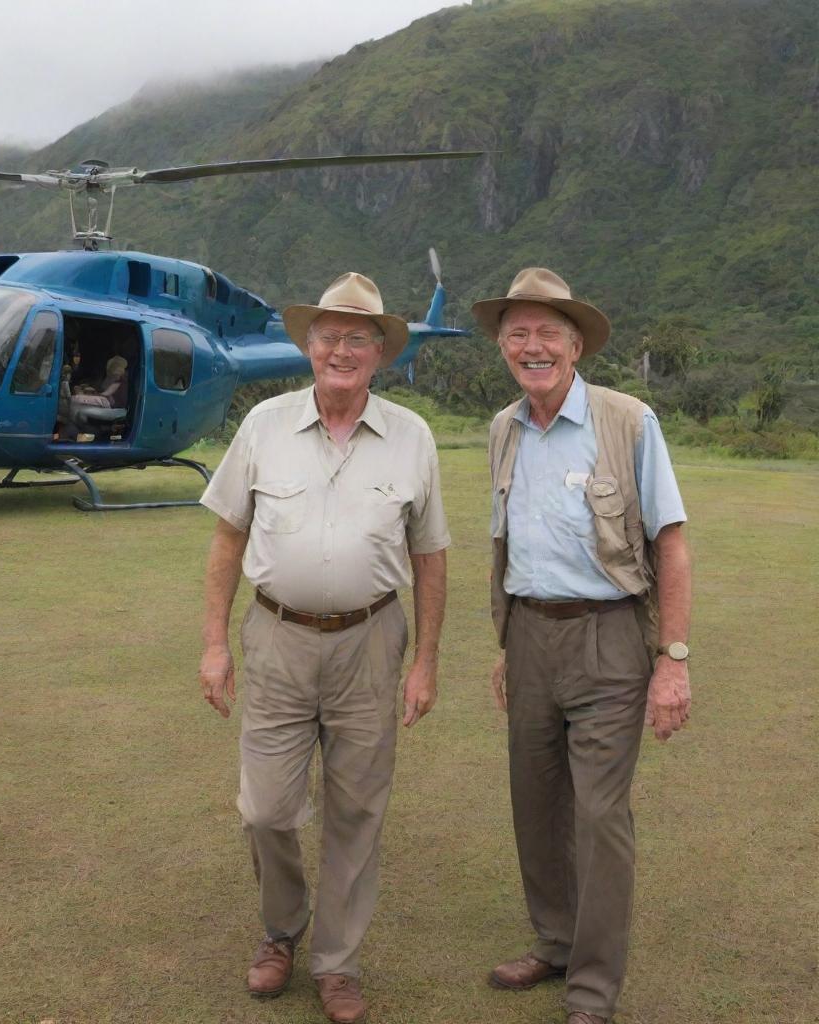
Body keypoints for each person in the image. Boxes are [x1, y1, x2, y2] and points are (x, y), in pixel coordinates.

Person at [198, 272, 450, 1024]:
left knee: (356, 810)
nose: (341, 350)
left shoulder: (413, 436)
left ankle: (337, 963)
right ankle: (282, 931)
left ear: (380, 353)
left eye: (358, 339)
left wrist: (426, 661)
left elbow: (431, 555)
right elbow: (227, 536)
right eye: (329, 336)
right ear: (307, 345)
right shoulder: (263, 425)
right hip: (275, 636)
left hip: (372, 642)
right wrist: (215, 643)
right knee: (267, 810)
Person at [474, 268, 692, 1024]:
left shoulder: (627, 421)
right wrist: (508, 643)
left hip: (609, 640)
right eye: (518, 334)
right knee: (535, 806)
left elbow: (671, 541)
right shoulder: (504, 428)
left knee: (600, 818)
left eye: (547, 334)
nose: (532, 347)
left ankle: (592, 988)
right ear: (504, 346)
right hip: (530, 636)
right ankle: (556, 941)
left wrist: (673, 659)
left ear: (575, 344)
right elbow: (514, 546)